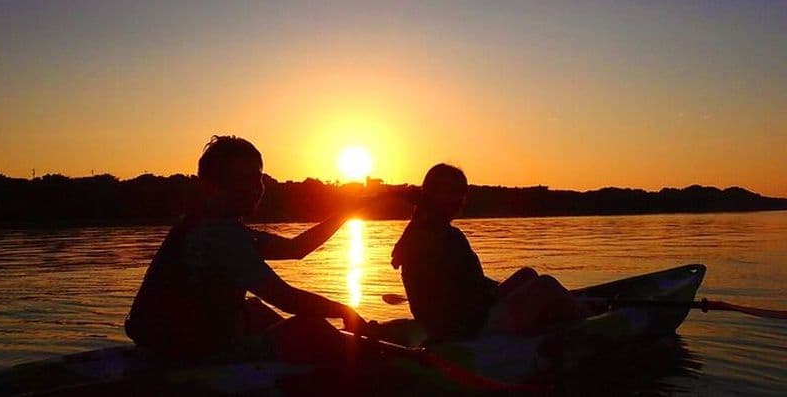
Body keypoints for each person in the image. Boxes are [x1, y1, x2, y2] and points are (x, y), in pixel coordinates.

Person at [125, 135, 367, 361]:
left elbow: (296, 248)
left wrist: (346, 213)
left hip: (169, 338)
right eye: (242, 179)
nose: (255, 187)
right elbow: (285, 298)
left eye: (257, 177)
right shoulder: (218, 233)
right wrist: (345, 311)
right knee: (311, 328)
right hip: (186, 349)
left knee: (254, 310)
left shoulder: (212, 223)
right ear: (212, 186)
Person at [391, 163, 585, 343]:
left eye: (462, 193)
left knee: (527, 275)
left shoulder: (419, 230)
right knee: (546, 285)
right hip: (466, 329)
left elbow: (466, 284)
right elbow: (470, 293)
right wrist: (502, 297)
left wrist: (502, 291)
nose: (459, 200)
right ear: (433, 193)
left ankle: (570, 310)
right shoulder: (443, 237)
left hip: (463, 318)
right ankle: (590, 320)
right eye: (452, 192)